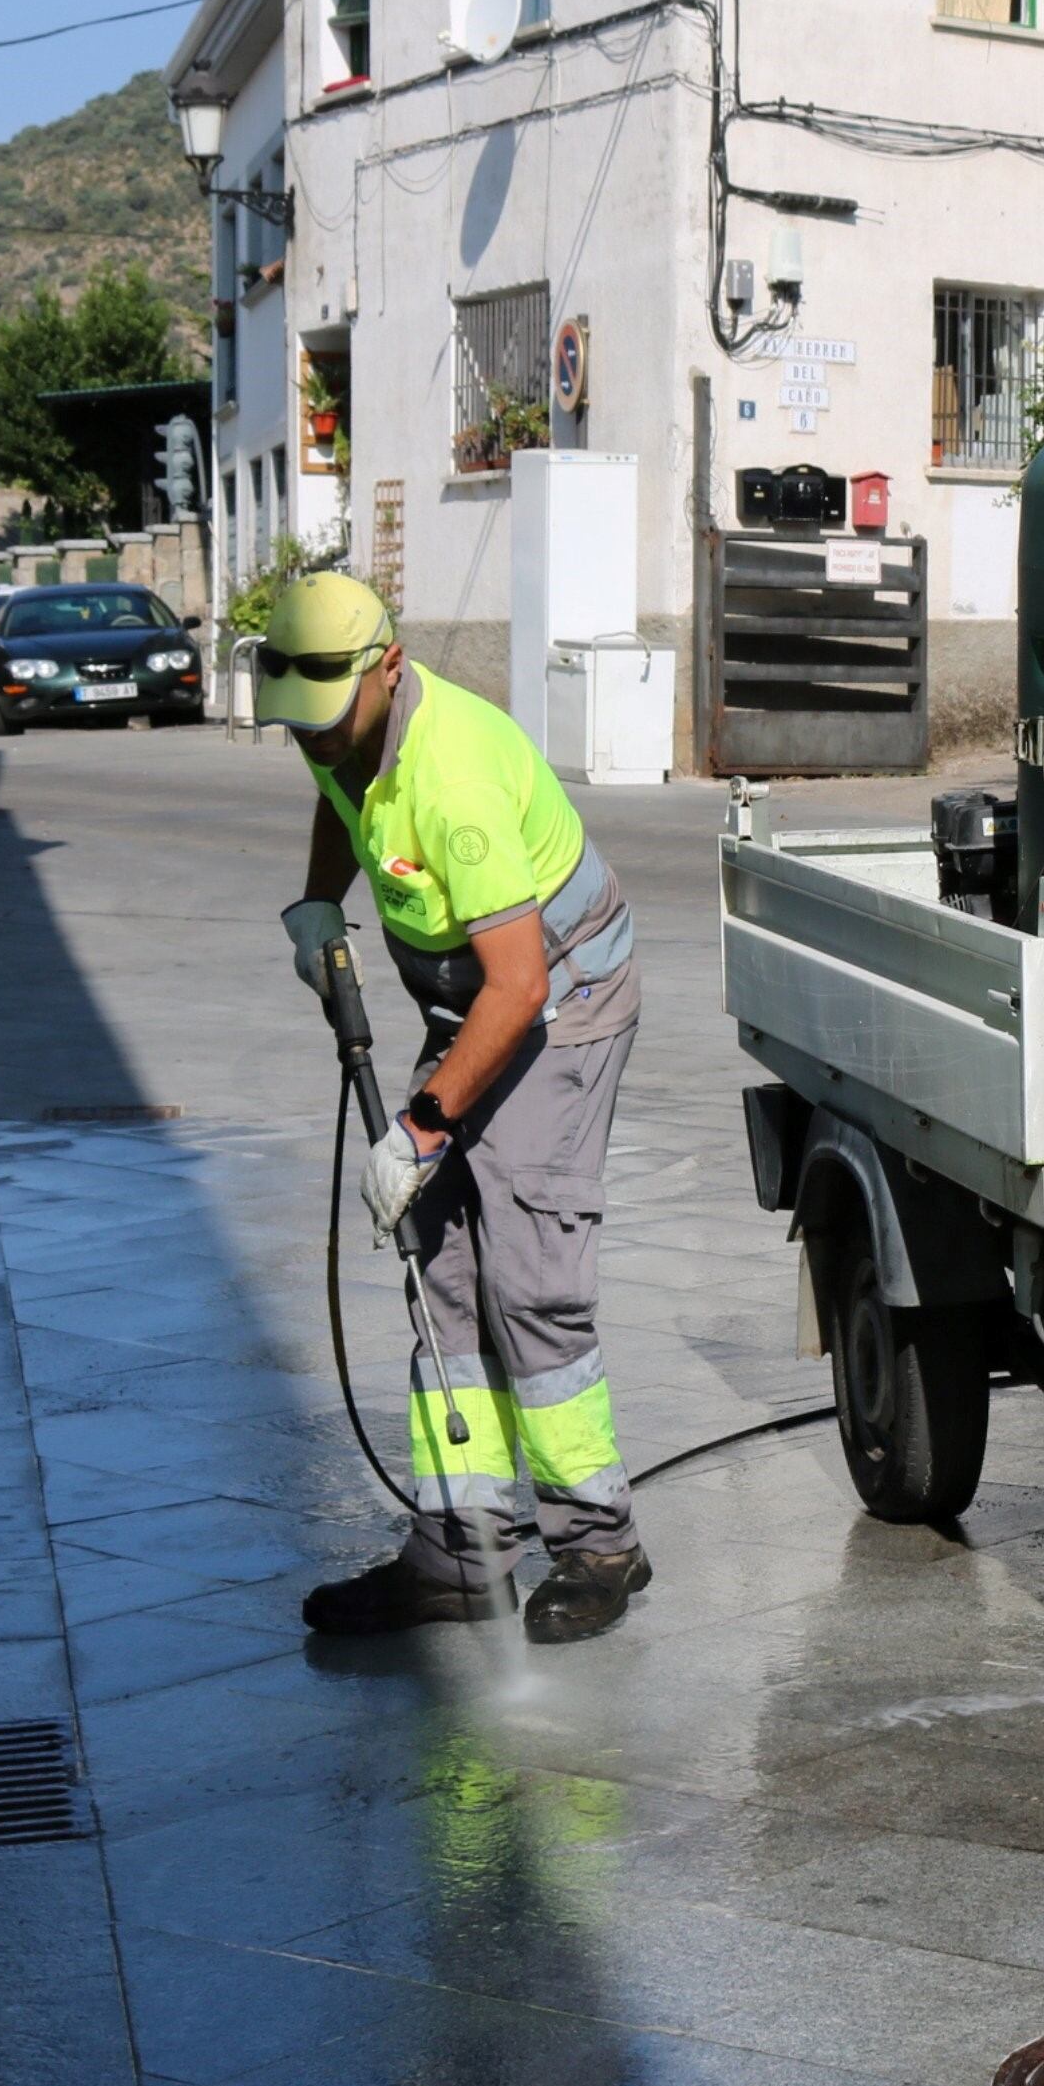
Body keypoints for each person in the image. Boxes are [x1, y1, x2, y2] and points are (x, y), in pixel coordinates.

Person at [251, 571, 651, 1643]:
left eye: (324, 726)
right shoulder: (342, 737)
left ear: (386, 670)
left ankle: (599, 1541)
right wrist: (316, 902)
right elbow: (342, 799)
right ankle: (461, 1551)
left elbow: (520, 989)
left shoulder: (455, 776)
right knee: (443, 1269)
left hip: (557, 1004)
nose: (313, 746)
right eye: (299, 730)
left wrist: (423, 1126)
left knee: (531, 1281)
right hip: (473, 998)